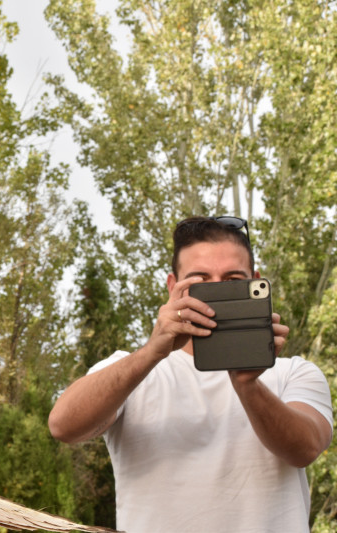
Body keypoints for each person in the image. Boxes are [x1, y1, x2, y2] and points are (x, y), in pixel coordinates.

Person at [48, 216, 333, 533]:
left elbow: (304, 450)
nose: (216, 291)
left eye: (232, 279)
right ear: (173, 287)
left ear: (255, 281)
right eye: (201, 280)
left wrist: (247, 385)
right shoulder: (133, 369)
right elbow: (63, 426)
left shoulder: (294, 372)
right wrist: (153, 350)